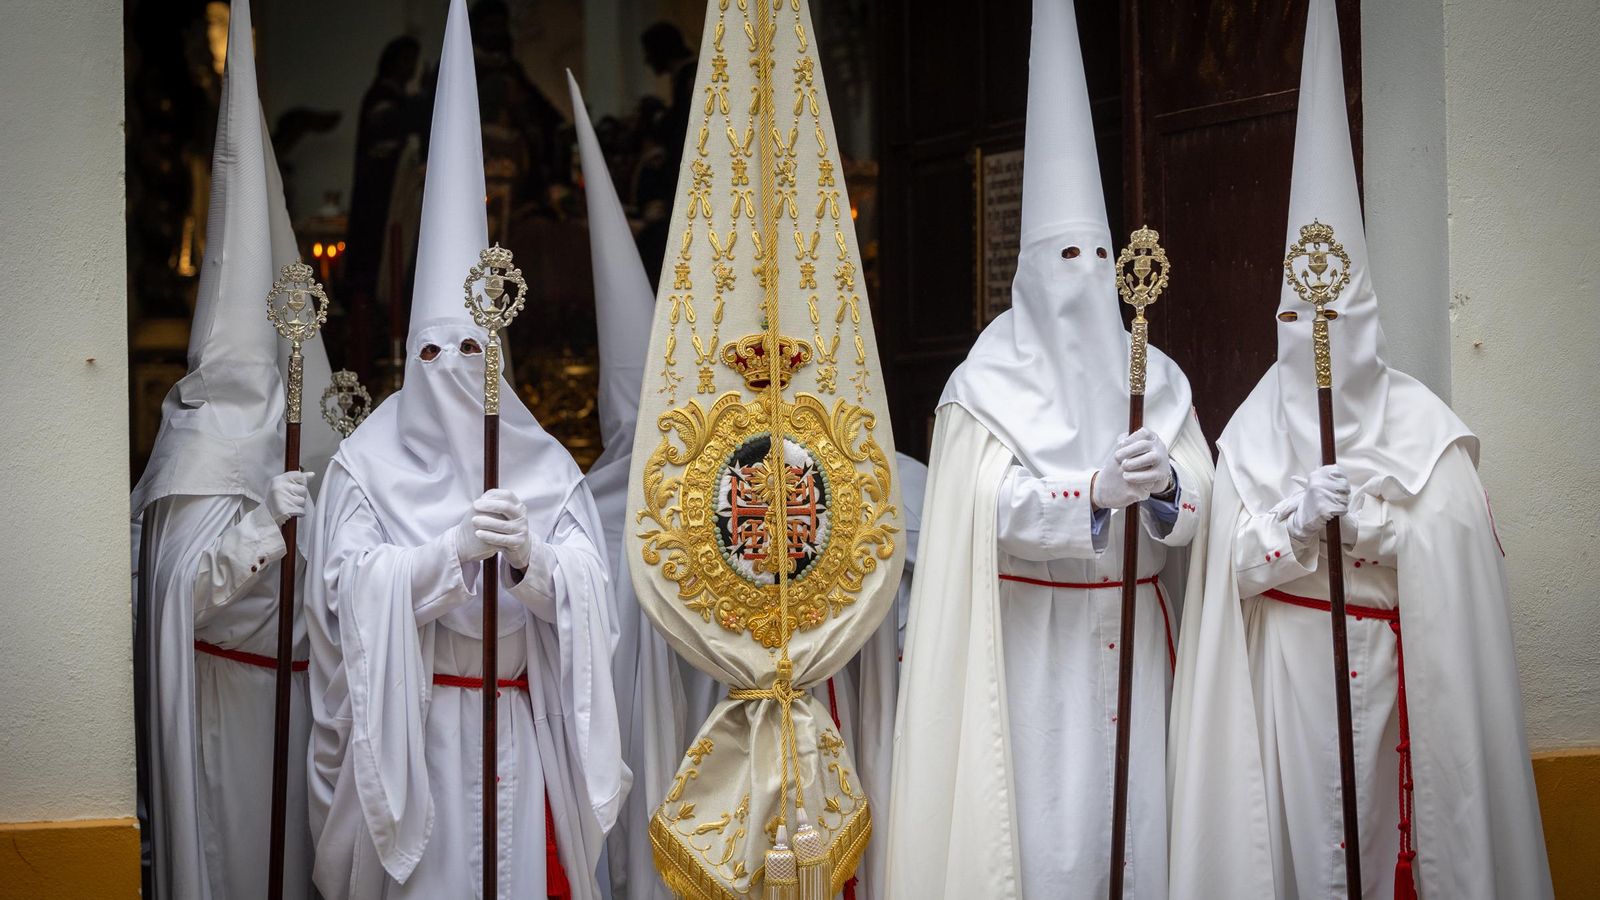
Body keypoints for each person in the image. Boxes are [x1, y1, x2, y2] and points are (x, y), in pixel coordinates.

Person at [1166, 2, 1554, 898]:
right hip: (1291, 685)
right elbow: (1225, 573)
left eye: (1337, 320)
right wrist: (1294, 528)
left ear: (1371, 322)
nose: (1318, 341)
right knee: (1305, 856)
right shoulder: (1252, 430)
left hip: (1398, 676)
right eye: (1297, 320)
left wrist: (1378, 526)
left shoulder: (1429, 433)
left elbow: (1454, 558)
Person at [885, 2, 1212, 897]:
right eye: (1062, 254)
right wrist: (1090, 495)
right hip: (1031, 659)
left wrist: (1168, 487)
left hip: (1141, 641)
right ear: (1030, 269)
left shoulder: (1160, 373)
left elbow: (1202, 508)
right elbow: (974, 512)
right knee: (1048, 845)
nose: (1080, 273)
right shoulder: (983, 384)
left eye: (1094, 255)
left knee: (1147, 831)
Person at [303, 3, 624, 897]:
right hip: (418, 735)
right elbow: (341, 599)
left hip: (518, 730)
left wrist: (532, 563)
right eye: (433, 353)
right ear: (410, 356)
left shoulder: (545, 465)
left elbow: (598, 600)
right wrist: (445, 558)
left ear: (502, 359)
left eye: (472, 352)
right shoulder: (367, 462)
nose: (451, 371)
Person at [130, 2, 316, 896]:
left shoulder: (299, 417)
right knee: (241, 862)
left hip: (303, 697)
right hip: (229, 701)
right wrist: (259, 535)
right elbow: (178, 596)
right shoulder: (197, 440)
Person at [343, 36, 426, 322]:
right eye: (406, 60)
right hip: (378, 199)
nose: (411, 67)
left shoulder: (399, 100)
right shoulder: (381, 98)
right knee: (375, 264)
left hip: (395, 199)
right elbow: (391, 129)